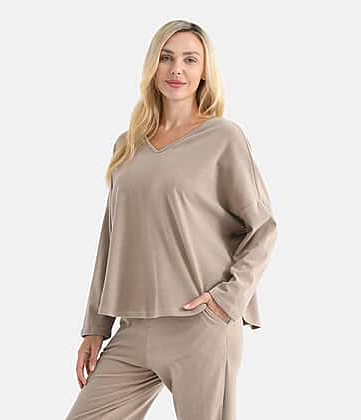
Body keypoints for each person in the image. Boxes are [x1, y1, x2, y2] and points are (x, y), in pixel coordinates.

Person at [65, 19, 278, 420]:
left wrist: (226, 301)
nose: (176, 69)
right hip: (133, 326)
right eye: (166, 58)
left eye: (189, 59)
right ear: (153, 65)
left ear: (204, 71)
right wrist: (96, 325)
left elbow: (263, 229)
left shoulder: (223, 137)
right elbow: (111, 238)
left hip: (200, 324)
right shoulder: (128, 145)